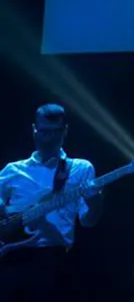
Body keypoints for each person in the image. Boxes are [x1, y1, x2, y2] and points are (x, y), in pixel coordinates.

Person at [0, 104, 104, 301]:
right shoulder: (13, 170)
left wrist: (95, 202)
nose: (48, 138)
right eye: (43, 132)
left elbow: (88, 221)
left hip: (52, 261)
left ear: (65, 131)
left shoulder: (80, 168)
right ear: (34, 129)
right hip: (9, 258)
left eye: (55, 132)